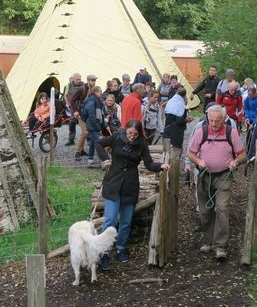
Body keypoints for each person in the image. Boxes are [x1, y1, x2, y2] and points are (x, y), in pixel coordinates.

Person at [96, 119, 170, 267]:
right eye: (130, 133)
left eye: (135, 134)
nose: (132, 136)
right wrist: (105, 160)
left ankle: (121, 248)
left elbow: (148, 163)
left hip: (130, 185)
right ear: (125, 129)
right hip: (113, 182)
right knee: (110, 219)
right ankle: (104, 251)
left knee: (126, 221)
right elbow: (99, 143)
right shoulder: (117, 137)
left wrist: (160, 166)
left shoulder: (141, 143)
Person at [187, 105, 246, 260]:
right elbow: (191, 153)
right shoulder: (201, 132)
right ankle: (208, 241)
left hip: (224, 177)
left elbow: (242, 155)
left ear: (224, 120)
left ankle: (220, 246)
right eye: (211, 121)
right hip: (204, 176)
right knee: (205, 211)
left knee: (221, 209)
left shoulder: (231, 133)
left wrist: (235, 162)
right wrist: (198, 161)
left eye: (217, 121)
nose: (213, 124)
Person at [82, 86, 110, 164]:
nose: (101, 93)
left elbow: (101, 115)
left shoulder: (98, 101)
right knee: (99, 142)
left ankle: (90, 159)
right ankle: (104, 160)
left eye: (101, 91)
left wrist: (105, 125)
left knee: (93, 142)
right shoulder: (91, 101)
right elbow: (92, 116)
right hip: (92, 125)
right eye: (100, 91)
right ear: (95, 92)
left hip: (96, 125)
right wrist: (98, 128)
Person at [163, 87, 193, 158]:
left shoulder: (170, 101)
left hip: (167, 129)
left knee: (167, 151)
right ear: (184, 95)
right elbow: (179, 121)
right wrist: (187, 120)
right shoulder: (181, 104)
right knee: (176, 152)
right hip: (176, 131)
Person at [73, 74, 97, 160]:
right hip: (81, 113)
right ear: (88, 80)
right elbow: (72, 100)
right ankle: (77, 152)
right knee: (85, 132)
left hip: (89, 114)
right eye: (91, 80)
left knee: (87, 132)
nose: (93, 82)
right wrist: (75, 110)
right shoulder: (82, 89)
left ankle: (82, 150)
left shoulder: (95, 89)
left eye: (94, 80)